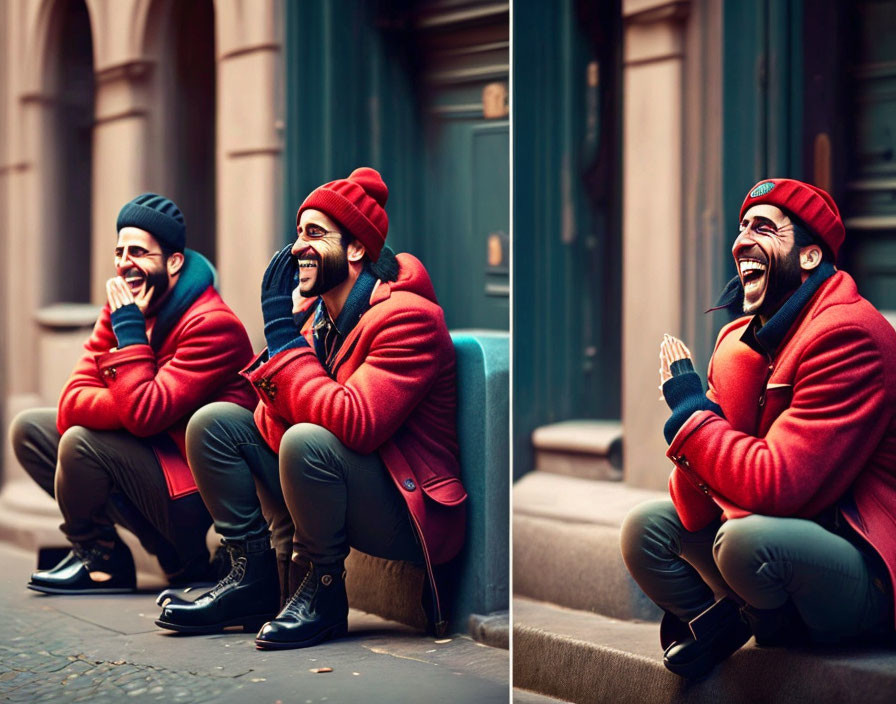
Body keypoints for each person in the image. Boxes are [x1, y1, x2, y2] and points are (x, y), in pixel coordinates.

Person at [155, 167, 467, 650]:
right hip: (342, 481)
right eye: (298, 233)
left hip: (405, 509)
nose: (298, 247)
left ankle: (323, 593)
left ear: (357, 249)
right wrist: (295, 369)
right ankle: (251, 578)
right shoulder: (319, 318)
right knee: (217, 424)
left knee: (308, 440)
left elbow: (356, 424)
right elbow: (266, 417)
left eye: (315, 234)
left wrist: (284, 345)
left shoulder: (410, 319)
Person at [620, 178, 896, 678]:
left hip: (864, 566)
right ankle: (738, 622)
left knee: (745, 543)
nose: (741, 241)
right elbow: (694, 504)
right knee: (645, 529)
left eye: (764, 228)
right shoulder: (750, 341)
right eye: (742, 226)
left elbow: (779, 486)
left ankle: (753, 621)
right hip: (792, 532)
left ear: (810, 257)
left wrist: (690, 413)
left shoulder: (848, 336)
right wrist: (721, 387)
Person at [10, 193, 256, 594]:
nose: (125, 262)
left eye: (139, 252)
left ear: (173, 262)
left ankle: (177, 553)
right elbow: (72, 402)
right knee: (30, 430)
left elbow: (145, 413)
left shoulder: (212, 325)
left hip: (192, 489)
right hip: (145, 456)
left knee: (80, 444)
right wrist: (131, 405)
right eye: (120, 251)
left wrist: (128, 337)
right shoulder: (122, 306)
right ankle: (104, 556)